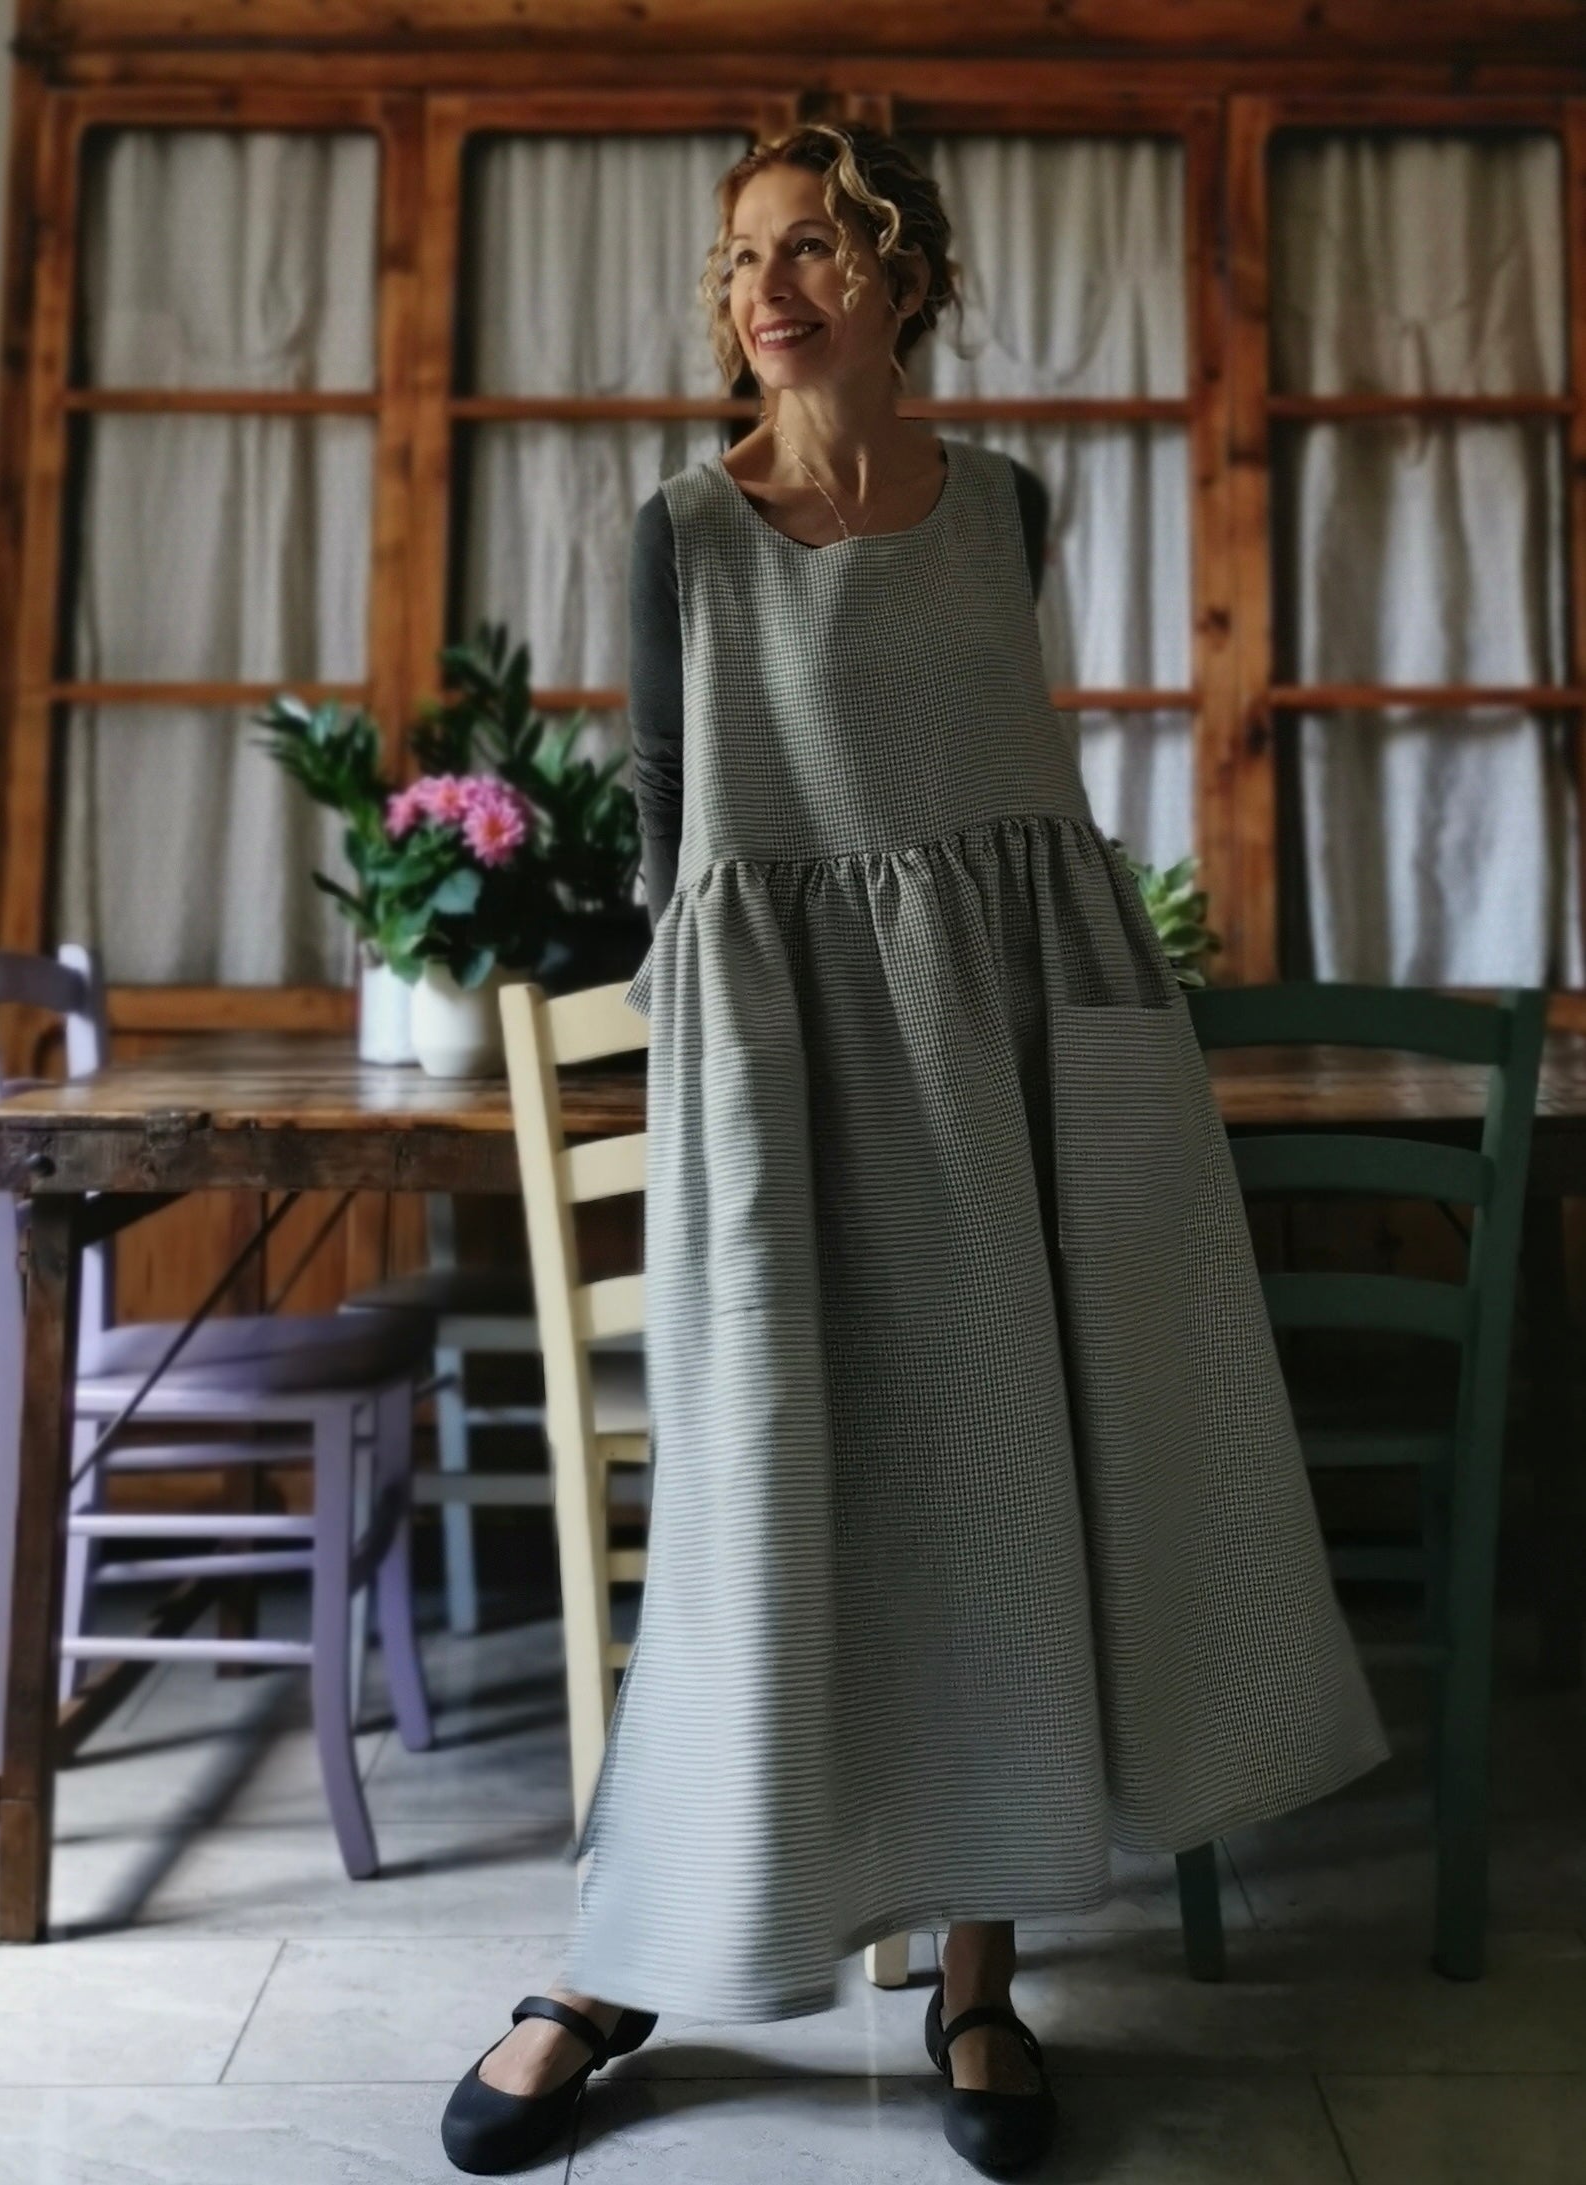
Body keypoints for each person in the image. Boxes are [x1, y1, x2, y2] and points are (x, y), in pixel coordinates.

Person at [442, 122, 1389, 2181]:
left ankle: (979, 1966)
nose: (765, 289)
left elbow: (1014, 828)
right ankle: (631, 1950)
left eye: (809, 247)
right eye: (739, 258)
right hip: (788, 1076)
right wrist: (721, 1090)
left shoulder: (1010, 510)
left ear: (902, 275)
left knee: (1017, 1478)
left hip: (1023, 1060)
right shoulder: (682, 534)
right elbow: (676, 842)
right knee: (759, 1503)